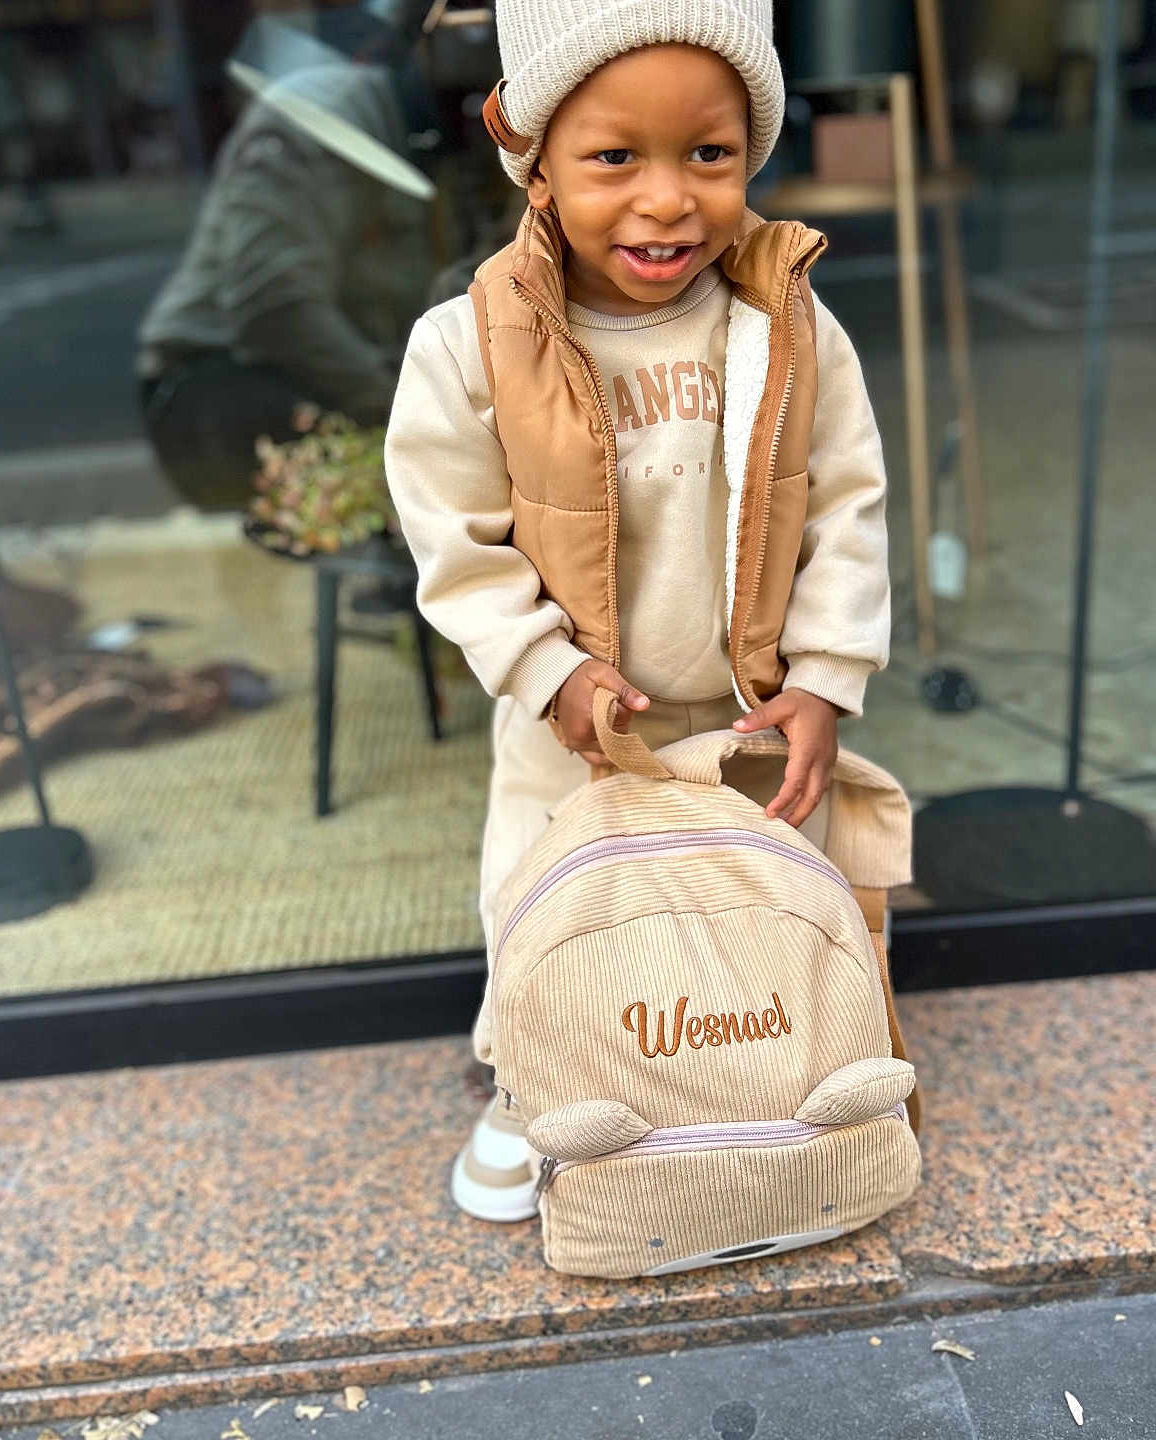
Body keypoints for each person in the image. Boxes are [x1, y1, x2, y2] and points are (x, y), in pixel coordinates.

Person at [384, 0, 891, 1222]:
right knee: (539, 907)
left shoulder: (787, 324)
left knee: (768, 908)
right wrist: (544, 666)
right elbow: (454, 541)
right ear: (538, 162)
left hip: (747, 720)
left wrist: (824, 677)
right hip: (572, 725)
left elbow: (849, 506)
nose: (667, 199)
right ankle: (532, 1087)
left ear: (753, 153)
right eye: (616, 157)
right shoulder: (468, 346)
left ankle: (763, 1089)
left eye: (708, 155)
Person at [137, 50, 434, 510]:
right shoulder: (321, 119)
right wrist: (407, 411)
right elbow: (274, 305)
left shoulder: (437, 135)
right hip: (220, 385)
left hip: (335, 378)